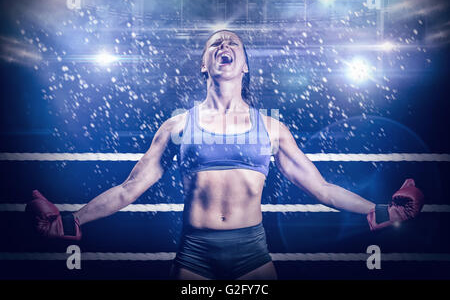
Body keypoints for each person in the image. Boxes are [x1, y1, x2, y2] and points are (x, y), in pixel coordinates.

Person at [26, 30, 424, 280]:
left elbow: (321, 188)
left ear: (245, 65)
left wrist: (381, 210)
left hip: (251, 253)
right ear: (205, 63)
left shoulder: (271, 128)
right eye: (215, 43)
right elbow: (127, 190)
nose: (224, 45)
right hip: (193, 255)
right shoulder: (177, 126)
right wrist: (70, 219)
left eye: (233, 42)